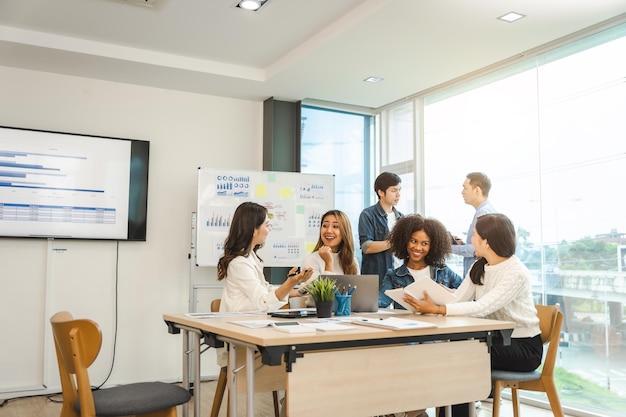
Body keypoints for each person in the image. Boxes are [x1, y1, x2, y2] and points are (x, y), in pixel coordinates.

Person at [403, 213, 542, 417]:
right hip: (495, 341)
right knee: (454, 355)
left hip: (523, 347)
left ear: (486, 241)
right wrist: (433, 302)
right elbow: (458, 300)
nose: (471, 241)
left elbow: (483, 306)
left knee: (463, 359)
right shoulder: (479, 266)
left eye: (475, 236)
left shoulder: (515, 272)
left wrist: (439, 309)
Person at [217, 201, 313, 316]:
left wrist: (294, 291)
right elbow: (263, 302)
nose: (269, 230)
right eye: (267, 225)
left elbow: (265, 288)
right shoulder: (239, 264)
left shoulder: (250, 257)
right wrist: (290, 283)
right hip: (239, 325)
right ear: (253, 230)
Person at [379, 214, 463, 309]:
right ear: (405, 241)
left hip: (439, 323)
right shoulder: (393, 276)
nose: (418, 248)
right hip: (406, 323)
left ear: (432, 246)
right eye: (414, 241)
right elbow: (382, 301)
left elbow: (466, 293)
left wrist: (450, 293)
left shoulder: (443, 271)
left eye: (425, 243)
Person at [358, 172, 404, 293]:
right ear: (381, 192)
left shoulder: (402, 218)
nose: (398, 195)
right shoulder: (368, 215)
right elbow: (366, 247)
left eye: (399, 190)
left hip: (400, 277)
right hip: (377, 278)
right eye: (394, 190)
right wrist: (394, 242)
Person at [450, 172, 497, 277]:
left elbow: (477, 248)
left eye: (465, 188)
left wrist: (448, 248)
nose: (462, 192)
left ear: (477, 190)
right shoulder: (483, 211)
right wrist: (462, 245)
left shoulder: (484, 213)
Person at [303, 209, 360, 278]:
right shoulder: (311, 260)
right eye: (325, 226)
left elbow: (357, 288)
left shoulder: (352, 261)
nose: (329, 230)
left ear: (345, 232)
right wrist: (328, 263)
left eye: (335, 226)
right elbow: (324, 289)